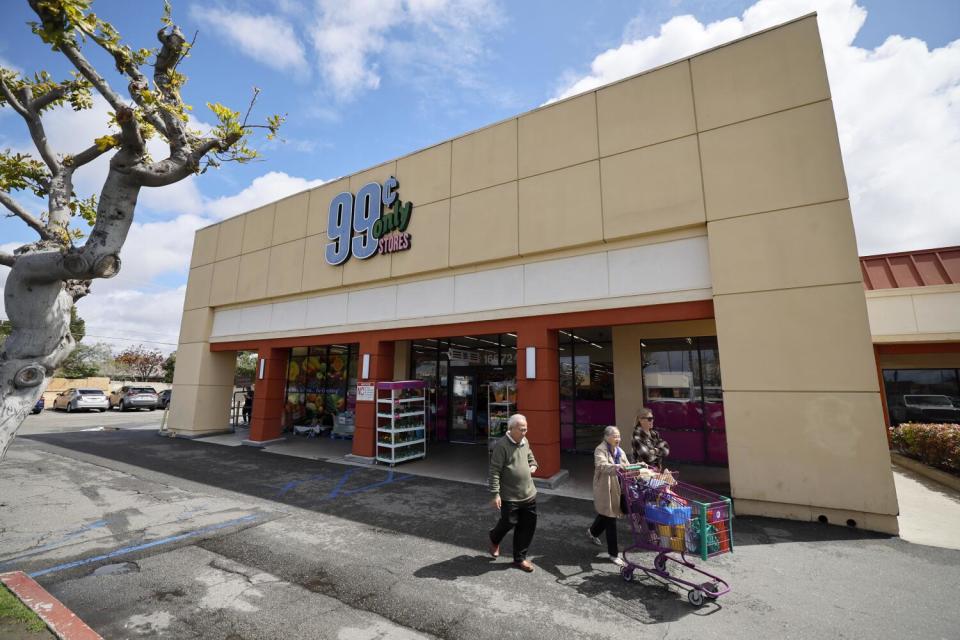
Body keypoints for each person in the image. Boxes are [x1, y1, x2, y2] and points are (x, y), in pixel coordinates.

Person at [487, 413, 539, 572]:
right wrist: (495, 494)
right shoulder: (501, 446)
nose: (525, 432)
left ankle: (520, 559)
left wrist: (533, 465)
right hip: (510, 496)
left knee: (527, 526)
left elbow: (530, 457)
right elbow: (494, 471)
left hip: (529, 493)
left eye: (526, 429)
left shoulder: (525, 441)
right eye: (522, 429)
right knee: (508, 522)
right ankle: (494, 538)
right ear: (512, 429)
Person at [588, 426, 633, 566]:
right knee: (610, 518)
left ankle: (592, 532)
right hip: (605, 488)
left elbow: (628, 466)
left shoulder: (620, 451)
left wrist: (638, 468)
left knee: (607, 514)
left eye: (619, 436)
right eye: (614, 436)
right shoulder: (600, 449)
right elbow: (602, 466)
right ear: (606, 437)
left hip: (618, 488)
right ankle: (613, 554)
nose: (618, 439)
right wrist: (618, 467)